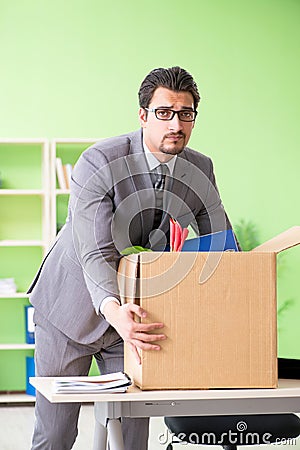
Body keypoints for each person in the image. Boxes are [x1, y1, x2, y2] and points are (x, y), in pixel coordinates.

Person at [28, 66, 234, 449]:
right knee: (55, 434)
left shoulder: (199, 168)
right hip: (69, 308)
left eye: (185, 113)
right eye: (164, 112)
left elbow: (218, 241)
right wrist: (112, 308)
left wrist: (233, 292)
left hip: (138, 314)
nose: (176, 124)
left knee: (132, 432)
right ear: (143, 116)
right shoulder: (99, 161)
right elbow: (95, 250)